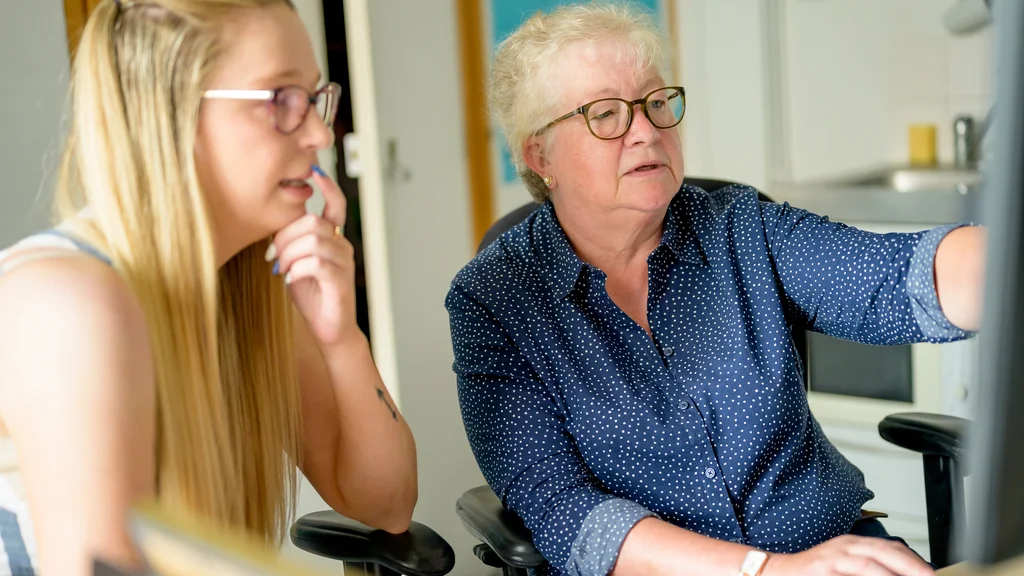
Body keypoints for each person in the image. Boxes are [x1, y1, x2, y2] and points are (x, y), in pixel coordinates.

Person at [446, 3, 986, 576]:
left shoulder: (741, 227)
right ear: (539, 154)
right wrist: (765, 569)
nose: (647, 131)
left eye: (656, 103)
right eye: (606, 114)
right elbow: (570, 515)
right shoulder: (492, 299)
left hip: (831, 551)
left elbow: (899, 278)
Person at [0, 1, 417, 575]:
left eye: (316, 98)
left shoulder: (248, 288)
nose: (321, 132)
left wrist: (340, 338)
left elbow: (387, 507)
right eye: (282, 100)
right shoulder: (67, 303)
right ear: (168, 115)